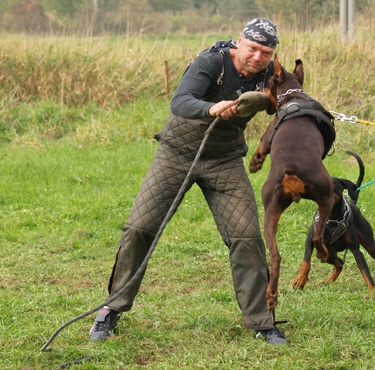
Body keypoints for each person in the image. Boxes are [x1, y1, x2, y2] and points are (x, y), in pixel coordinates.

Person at [89, 18, 288, 345]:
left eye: (266, 52)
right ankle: (111, 309)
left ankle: (262, 322)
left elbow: (290, 97)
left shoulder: (271, 75)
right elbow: (180, 101)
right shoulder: (212, 61)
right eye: (253, 48)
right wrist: (213, 108)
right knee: (139, 228)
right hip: (177, 154)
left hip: (225, 160)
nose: (258, 57)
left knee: (247, 236)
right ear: (239, 42)